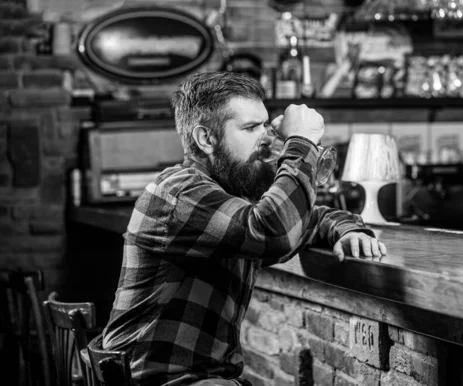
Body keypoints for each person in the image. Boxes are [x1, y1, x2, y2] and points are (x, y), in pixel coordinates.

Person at [102, 72, 387, 386]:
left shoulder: (228, 196)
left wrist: (348, 230)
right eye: (251, 128)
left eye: (265, 124)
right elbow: (275, 232)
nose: (265, 137)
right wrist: (301, 142)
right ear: (206, 139)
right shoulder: (179, 193)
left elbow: (307, 218)